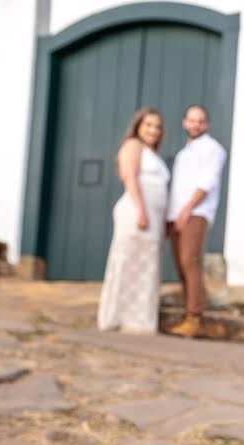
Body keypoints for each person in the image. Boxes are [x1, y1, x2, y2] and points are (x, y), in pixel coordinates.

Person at [97, 107, 170, 334]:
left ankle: (139, 319)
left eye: (157, 126)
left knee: (147, 266)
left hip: (153, 216)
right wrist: (141, 210)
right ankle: (119, 317)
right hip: (136, 211)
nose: (153, 130)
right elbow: (130, 177)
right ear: (138, 126)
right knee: (128, 263)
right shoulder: (133, 146)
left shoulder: (154, 154)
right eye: (148, 125)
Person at [164, 104, 228, 336]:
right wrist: (171, 216)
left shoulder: (212, 149)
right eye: (192, 120)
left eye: (200, 121)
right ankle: (188, 313)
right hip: (176, 215)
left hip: (196, 213)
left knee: (190, 261)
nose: (196, 124)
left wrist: (187, 210)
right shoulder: (183, 154)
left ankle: (195, 315)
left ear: (206, 124)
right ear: (184, 122)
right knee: (181, 264)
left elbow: (207, 183)